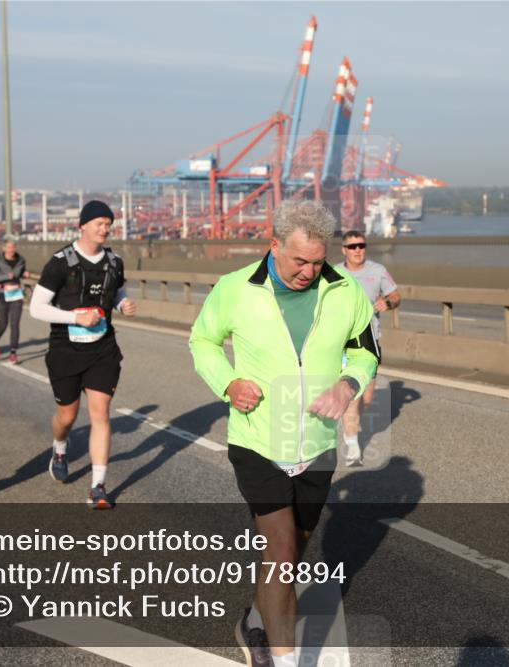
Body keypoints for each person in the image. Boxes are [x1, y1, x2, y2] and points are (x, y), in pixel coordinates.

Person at [189, 199, 378, 667]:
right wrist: (228, 383)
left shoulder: (345, 290)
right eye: (299, 261)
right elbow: (202, 341)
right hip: (257, 441)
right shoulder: (235, 288)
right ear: (273, 245)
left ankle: (255, 620)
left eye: (317, 262)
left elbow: (366, 351)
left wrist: (348, 384)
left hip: (317, 443)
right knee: (281, 549)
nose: (308, 272)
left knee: (294, 551)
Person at [30, 200, 137, 509]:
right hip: (66, 350)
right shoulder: (60, 263)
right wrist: (75, 317)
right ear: (83, 226)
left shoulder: (114, 262)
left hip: (102, 349)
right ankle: (60, 446)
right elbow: (36, 308)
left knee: (100, 414)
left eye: (108, 224)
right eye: (99, 223)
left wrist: (122, 304)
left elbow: (116, 291)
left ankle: (98, 487)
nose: (105, 229)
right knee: (67, 416)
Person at [337, 230, 400, 466]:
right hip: (343, 344)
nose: (358, 250)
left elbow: (396, 295)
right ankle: (352, 444)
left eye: (361, 246)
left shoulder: (378, 271)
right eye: (352, 246)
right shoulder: (334, 273)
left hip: (370, 342)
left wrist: (388, 302)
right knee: (353, 395)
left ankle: (350, 422)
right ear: (344, 250)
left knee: (366, 396)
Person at [0, 238, 29, 364]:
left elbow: (20, 273)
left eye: (13, 247)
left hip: (16, 294)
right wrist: (6, 276)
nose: (11, 250)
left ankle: (13, 353)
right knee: (3, 324)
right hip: (1, 295)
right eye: (8, 247)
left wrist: (24, 274)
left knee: (15, 324)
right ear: (4, 248)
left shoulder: (21, 260)